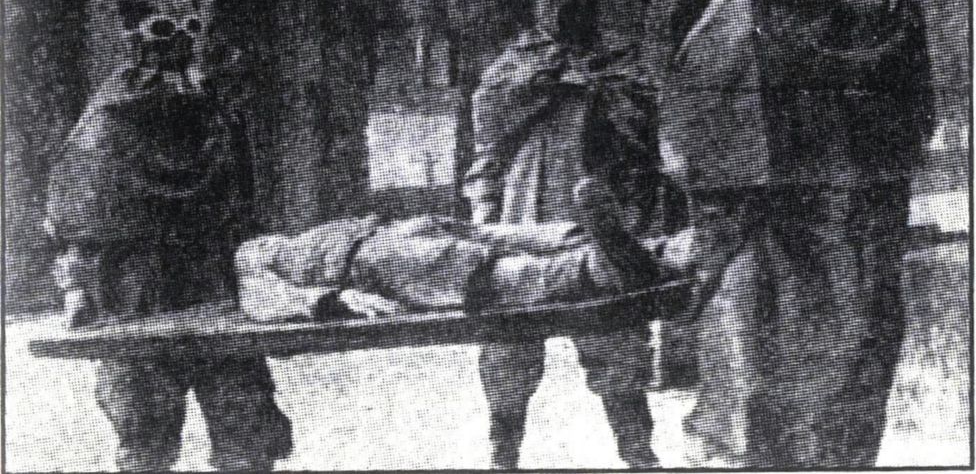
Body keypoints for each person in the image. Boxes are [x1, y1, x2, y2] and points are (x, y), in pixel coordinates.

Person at [660, 0, 934, 467]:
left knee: (765, 416)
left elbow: (691, 133)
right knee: (837, 410)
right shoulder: (897, 6)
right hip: (856, 246)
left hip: (776, 249)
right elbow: (917, 125)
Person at [44, 0, 293, 472]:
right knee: (147, 438)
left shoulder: (215, 112)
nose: (180, 42)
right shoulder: (108, 120)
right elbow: (72, 214)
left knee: (245, 431)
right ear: (130, 34)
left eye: (191, 26)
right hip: (136, 292)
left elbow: (243, 207)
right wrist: (77, 287)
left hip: (214, 286)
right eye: (163, 28)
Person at [463, 0, 664, 468]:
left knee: (615, 334)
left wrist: (599, 94)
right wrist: (483, 211)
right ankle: (503, 452)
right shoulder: (515, 63)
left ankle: (638, 452)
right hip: (521, 216)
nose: (564, 3)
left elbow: (645, 144)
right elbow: (488, 141)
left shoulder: (622, 64)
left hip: (597, 215)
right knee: (508, 342)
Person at [234, 178, 690, 324]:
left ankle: (650, 252)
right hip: (371, 260)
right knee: (485, 270)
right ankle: (605, 267)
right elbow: (261, 299)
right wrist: (335, 300)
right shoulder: (247, 257)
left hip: (393, 232)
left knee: (513, 236)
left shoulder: (275, 242)